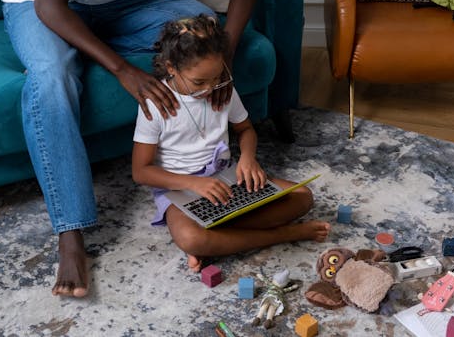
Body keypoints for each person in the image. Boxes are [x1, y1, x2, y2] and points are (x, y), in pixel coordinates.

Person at [1, 0, 256, 298]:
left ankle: (74, 46)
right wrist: (122, 69)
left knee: (204, 36)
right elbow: (48, 2)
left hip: (128, 4)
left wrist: (223, 61)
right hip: (41, 3)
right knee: (52, 78)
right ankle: (70, 234)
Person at [132, 15, 331, 273]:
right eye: (199, 82)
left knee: (302, 197)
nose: (209, 88)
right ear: (171, 67)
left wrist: (248, 157)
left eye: (216, 77)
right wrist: (194, 183)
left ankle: (217, 238)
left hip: (225, 177)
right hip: (179, 187)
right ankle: (282, 234)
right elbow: (141, 171)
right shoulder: (155, 105)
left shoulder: (222, 90)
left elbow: (245, 130)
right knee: (191, 238)